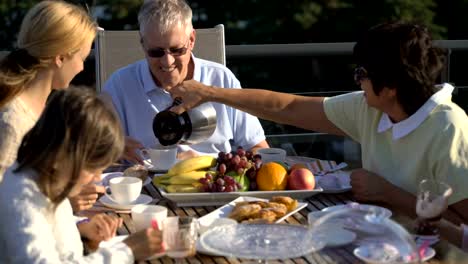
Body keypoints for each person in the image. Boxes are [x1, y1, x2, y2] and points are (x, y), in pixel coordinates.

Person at [169, 22, 468, 225]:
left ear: (390, 87)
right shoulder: (372, 108)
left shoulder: (448, 129)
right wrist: (209, 92)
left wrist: (389, 194)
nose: (358, 81)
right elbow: (288, 107)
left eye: (361, 74)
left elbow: (463, 229)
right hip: (373, 236)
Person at [0, 88, 163, 262]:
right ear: (68, 153)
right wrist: (127, 251)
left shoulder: (47, 177)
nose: (98, 177)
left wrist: (79, 225)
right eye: (94, 168)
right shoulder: (22, 197)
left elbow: (47, 226)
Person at [102, 0, 269, 165]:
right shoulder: (119, 86)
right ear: (143, 44)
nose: (167, 62)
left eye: (176, 50)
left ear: (192, 40)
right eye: (156, 52)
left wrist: (208, 164)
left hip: (211, 183)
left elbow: (258, 148)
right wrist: (111, 148)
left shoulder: (221, 79)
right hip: (144, 185)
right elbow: (93, 155)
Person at [0, 0, 102, 212]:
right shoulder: (13, 122)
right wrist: (63, 205)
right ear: (61, 58)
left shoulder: (41, 108)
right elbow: (8, 208)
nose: (82, 68)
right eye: (82, 58)